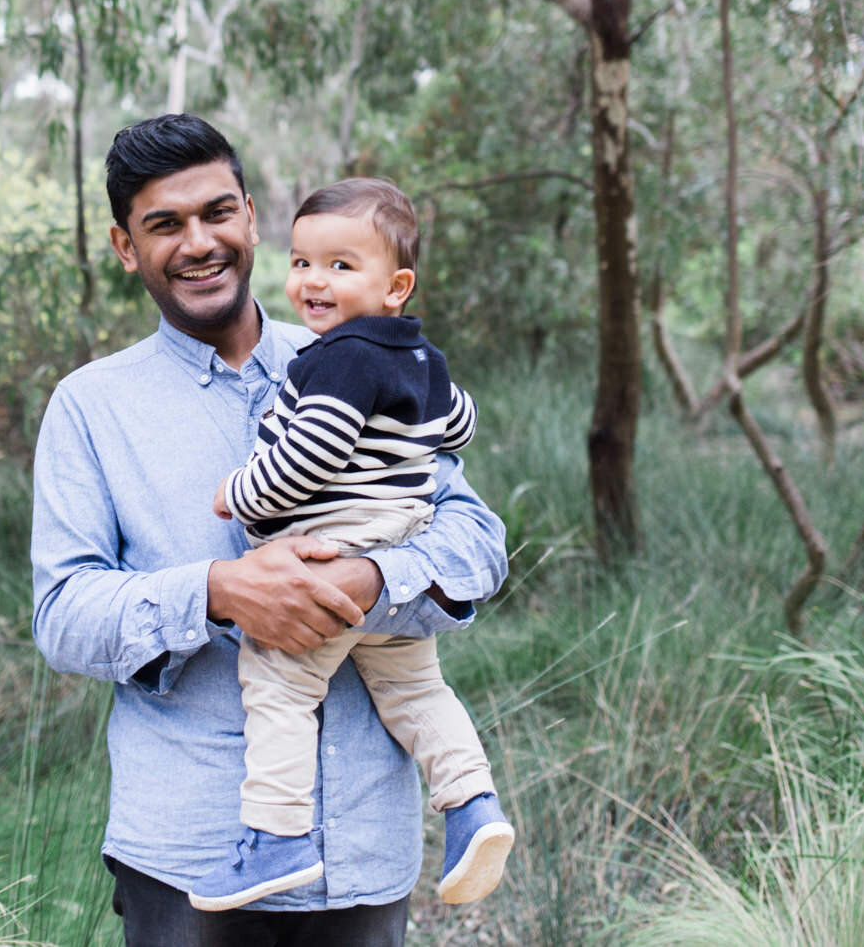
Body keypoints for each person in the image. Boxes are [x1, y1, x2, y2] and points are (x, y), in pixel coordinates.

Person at [32, 115, 509, 946]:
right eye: (165, 224)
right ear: (123, 245)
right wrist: (219, 592)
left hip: (364, 850)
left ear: (252, 217)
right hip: (187, 858)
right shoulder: (90, 407)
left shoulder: (362, 357)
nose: (199, 242)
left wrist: (370, 582)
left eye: (217, 212)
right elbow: (63, 617)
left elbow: (476, 543)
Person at [190, 178, 514, 913]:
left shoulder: (341, 357)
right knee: (416, 689)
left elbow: (310, 456)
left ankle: (275, 840)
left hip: (332, 551)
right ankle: (471, 805)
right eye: (303, 262)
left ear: (396, 285)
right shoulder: (421, 358)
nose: (314, 281)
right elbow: (458, 426)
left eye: (341, 265)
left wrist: (238, 492)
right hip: (399, 541)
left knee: (279, 684)